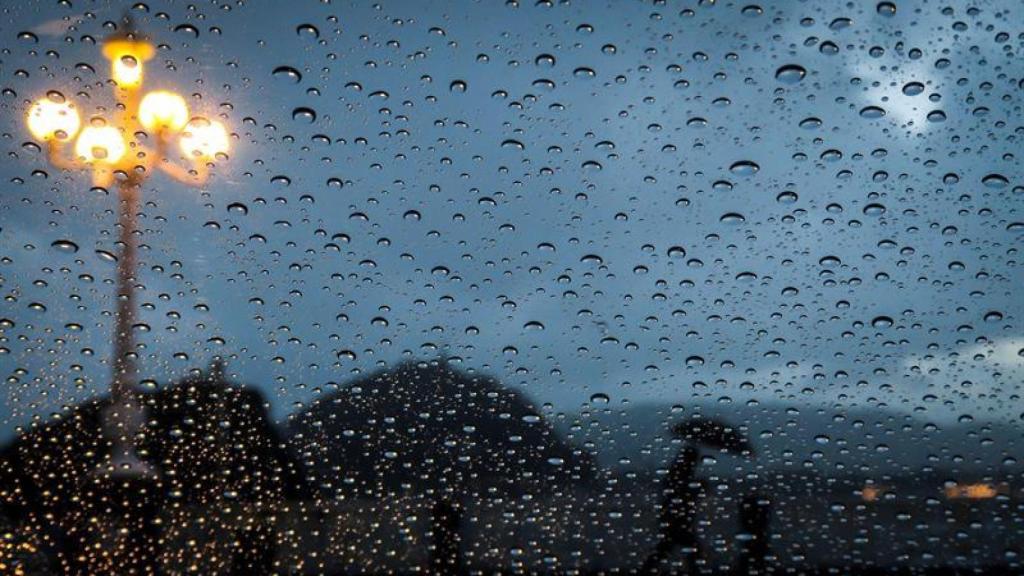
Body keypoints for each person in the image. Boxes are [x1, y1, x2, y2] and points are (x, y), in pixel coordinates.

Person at [642, 446, 705, 574]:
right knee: (685, 548)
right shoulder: (680, 472)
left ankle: (646, 570)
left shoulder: (680, 470)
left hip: (675, 517)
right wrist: (697, 487)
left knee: (666, 547)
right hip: (676, 518)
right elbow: (679, 492)